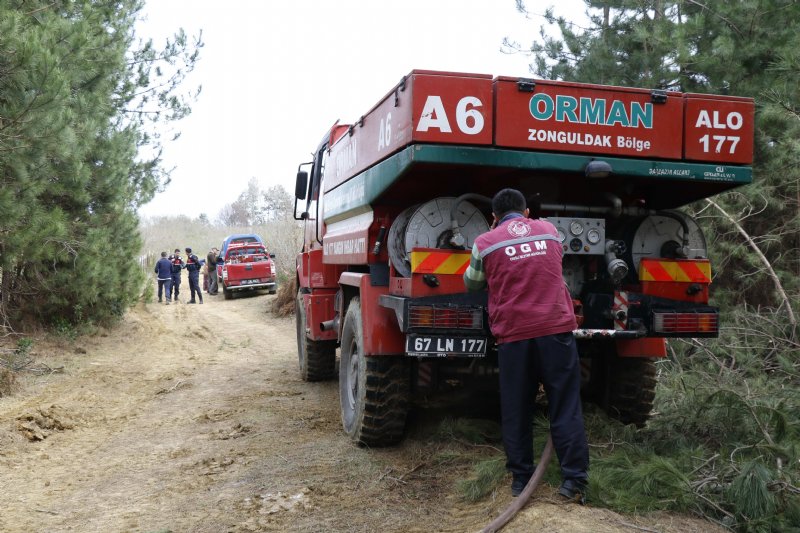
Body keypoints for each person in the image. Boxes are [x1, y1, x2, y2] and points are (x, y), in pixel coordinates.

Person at [463, 188, 589, 501]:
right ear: (527, 212)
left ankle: (521, 480)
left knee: (517, 406)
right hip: (555, 331)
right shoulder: (549, 231)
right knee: (566, 404)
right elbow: (555, 262)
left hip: (515, 336)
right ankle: (574, 482)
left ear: (494, 217)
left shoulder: (485, 242)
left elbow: (472, 283)